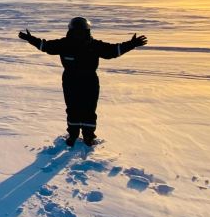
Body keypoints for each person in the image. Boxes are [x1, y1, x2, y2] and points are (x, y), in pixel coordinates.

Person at [19, 17, 147, 146]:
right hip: (77, 81)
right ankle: (80, 136)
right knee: (82, 109)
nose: (79, 34)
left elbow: (113, 51)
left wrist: (131, 44)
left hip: (83, 81)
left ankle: (82, 136)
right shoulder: (69, 44)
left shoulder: (86, 44)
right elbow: (45, 46)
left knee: (82, 109)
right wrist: (132, 44)